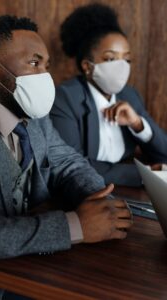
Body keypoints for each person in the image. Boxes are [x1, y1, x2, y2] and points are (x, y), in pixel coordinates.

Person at [0, 15, 132, 300]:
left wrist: (96, 198)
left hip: (31, 267)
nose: (45, 76)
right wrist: (74, 226)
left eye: (46, 66)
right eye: (34, 63)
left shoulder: (32, 111)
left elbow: (66, 161)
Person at [50, 3, 167, 187]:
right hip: (87, 191)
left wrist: (138, 124)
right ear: (87, 66)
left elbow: (164, 154)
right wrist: (145, 175)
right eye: (110, 58)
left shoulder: (129, 95)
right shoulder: (65, 98)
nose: (121, 66)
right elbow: (73, 166)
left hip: (130, 191)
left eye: (126, 59)